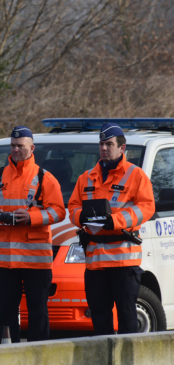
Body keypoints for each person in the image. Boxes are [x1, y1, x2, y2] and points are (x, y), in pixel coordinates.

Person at [0, 126, 66, 342]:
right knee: (6, 313)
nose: (15, 150)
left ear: (31, 148)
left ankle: (38, 355)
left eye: (20, 146)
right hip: (5, 262)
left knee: (38, 312)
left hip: (36, 261)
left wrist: (31, 217)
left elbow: (59, 211)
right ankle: (9, 354)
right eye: (13, 146)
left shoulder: (45, 178)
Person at [68, 123, 155, 335]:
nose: (104, 148)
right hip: (95, 263)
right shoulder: (86, 177)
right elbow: (72, 207)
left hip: (124, 261)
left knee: (127, 317)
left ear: (122, 148)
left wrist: (115, 221)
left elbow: (147, 207)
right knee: (99, 318)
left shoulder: (136, 175)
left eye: (109, 144)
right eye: (101, 144)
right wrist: (82, 217)